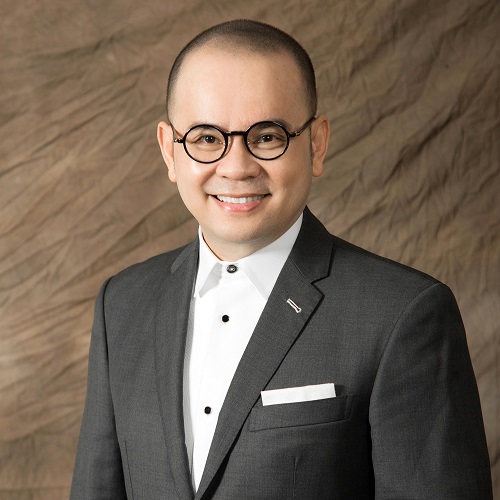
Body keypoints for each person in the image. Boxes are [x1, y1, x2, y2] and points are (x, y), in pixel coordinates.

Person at [70, 19, 492, 499]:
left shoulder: (404, 313)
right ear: (170, 151)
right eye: (206, 138)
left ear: (316, 144)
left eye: (267, 136)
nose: (236, 167)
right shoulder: (122, 303)